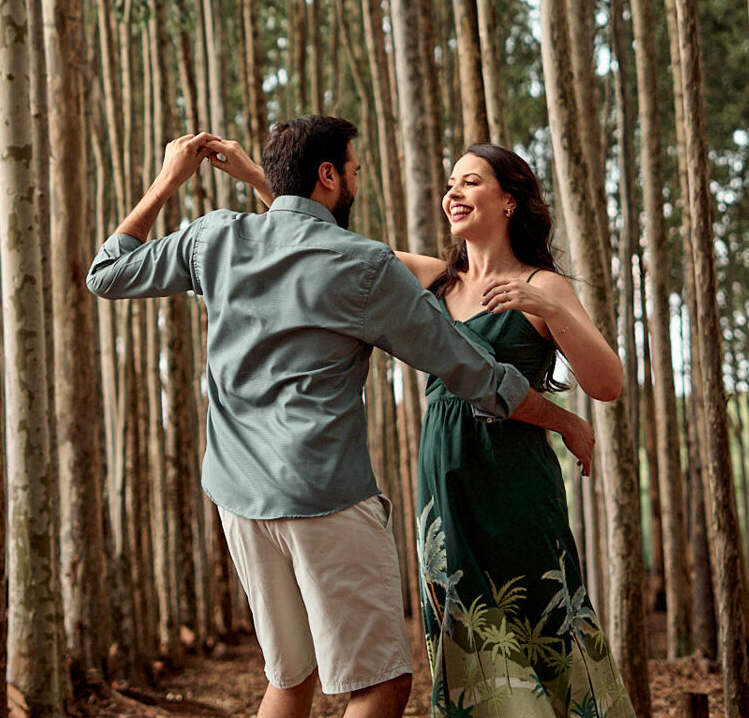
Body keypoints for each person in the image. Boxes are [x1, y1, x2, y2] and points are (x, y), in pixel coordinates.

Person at [87, 117, 596, 718]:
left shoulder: (213, 238)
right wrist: (562, 420)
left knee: (289, 677)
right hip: (324, 497)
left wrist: (168, 181)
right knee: (379, 686)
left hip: (238, 497)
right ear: (328, 176)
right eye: (353, 171)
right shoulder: (366, 266)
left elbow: (107, 274)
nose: (357, 180)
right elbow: (473, 373)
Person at [398, 144, 634, 718]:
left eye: (470, 181)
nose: (453, 193)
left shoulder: (543, 285)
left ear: (508, 200)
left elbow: (607, 383)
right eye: (450, 183)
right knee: (468, 649)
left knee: (544, 631)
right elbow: (331, 249)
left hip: (517, 491)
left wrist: (548, 309)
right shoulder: (435, 281)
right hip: (444, 495)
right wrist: (267, 179)